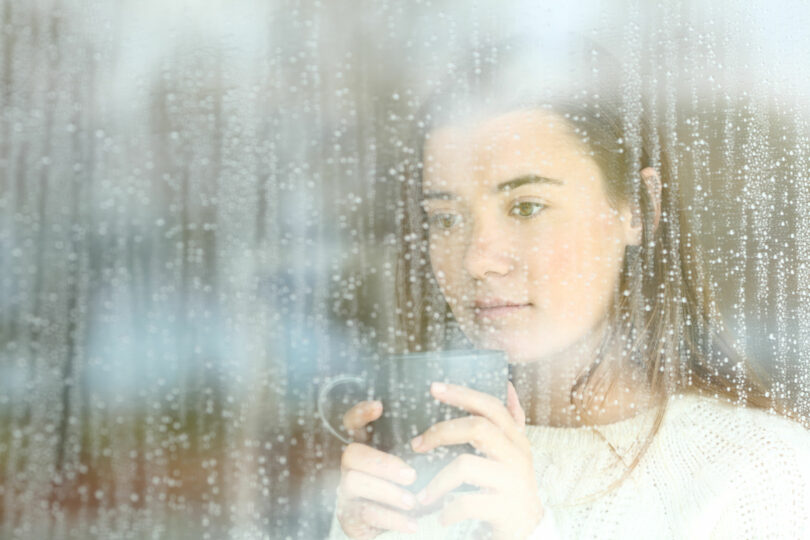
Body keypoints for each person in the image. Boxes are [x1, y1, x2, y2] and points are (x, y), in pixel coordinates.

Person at [328, 37, 810, 539]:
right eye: (445, 218)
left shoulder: (762, 473)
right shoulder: (419, 460)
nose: (476, 259)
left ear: (639, 209)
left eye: (527, 207)